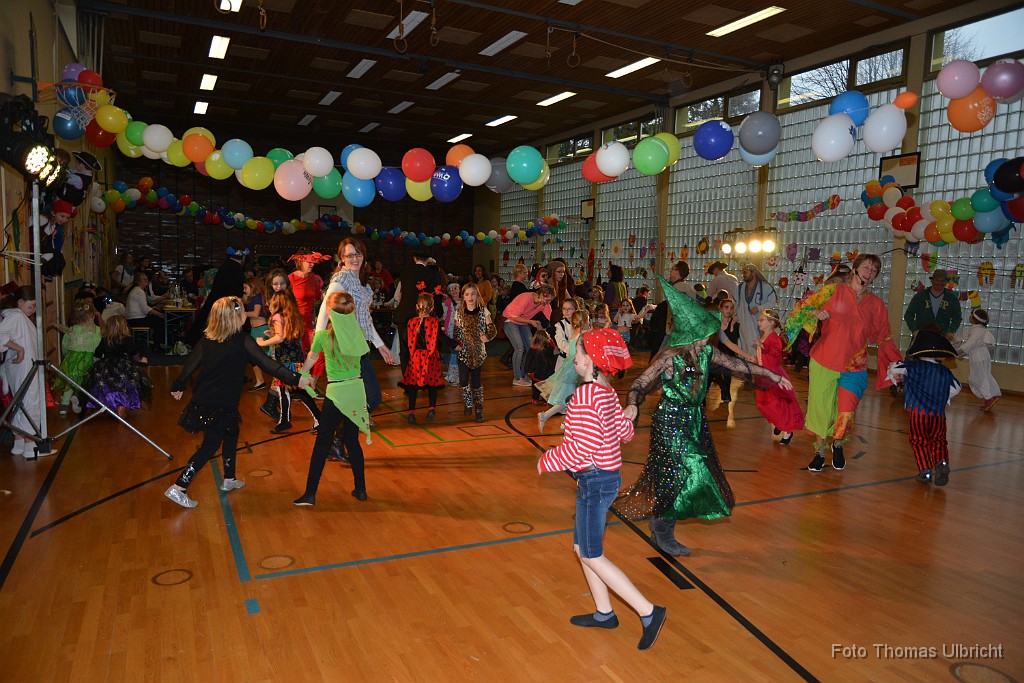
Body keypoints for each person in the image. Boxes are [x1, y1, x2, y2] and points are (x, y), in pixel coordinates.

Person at [618, 277, 792, 556]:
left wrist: (772, 375)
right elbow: (640, 385)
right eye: (702, 335)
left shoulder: (707, 352)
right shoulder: (669, 358)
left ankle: (661, 523)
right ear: (690, 334)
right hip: (670, 421)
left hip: (695, 421)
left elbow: (736, 365)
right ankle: (663, 528)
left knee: (675, 475)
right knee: (690, 469)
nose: (706, 339)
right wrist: (632, 405)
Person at [537, 328, 667, 651]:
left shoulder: (583, 396)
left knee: (593, 553)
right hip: (604, 478)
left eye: (579, 353)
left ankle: (649, 612)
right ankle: (604, 612)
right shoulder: (606, 392)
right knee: (582, 550)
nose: (575, 357)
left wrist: (549, 459)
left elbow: (582, 450)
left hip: (594, 480)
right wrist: (629, 414)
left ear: (591, 361)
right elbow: (623, 433)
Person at [165, 297, 314, 509]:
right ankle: (179, 486)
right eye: (243, 311)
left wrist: (178, 385)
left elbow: (190, 363)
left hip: (205, 399)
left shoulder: (207, 339)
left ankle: (229, 478)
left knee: (231, 432)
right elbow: (269, 365)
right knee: (210, 445)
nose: (246, 314)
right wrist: (297, 378)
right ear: (235, 317)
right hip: (220, 401)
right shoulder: (242, 340)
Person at [785, 254, 901, 473]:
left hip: (855, 365)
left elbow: (885, 336)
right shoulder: (832, 291)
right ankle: (819, 452)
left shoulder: (875, 304)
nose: (869, 272)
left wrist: (895, 362)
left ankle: (838, 444)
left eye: (874, 271)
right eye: (866, 267)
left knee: (846, 411)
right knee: (822, 410)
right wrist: (816, 312)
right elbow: (801, 308)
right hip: (824, 360)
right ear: (855, 269)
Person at [294, 291, 372, 506]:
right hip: (356, 391)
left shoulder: (322, 336)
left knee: (322, 443)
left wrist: (302, 376)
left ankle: (310, 494)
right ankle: (361, 489)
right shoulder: (356, 331)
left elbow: (311, 359)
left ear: (329, 311)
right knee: (352, 441)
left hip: (336, 393)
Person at [887, 330, 961, 486]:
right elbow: (957, 388)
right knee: (939, 440)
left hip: (918, 413)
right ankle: (941, 463)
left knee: (918, 441)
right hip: (938, 415)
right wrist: (942, 396)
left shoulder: (913, 367)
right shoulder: (944, 371)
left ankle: (925, 471)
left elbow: (894, 367)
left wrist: (897, 376)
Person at [257, 291, 321, 434]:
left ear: (278, 303)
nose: (269, 304)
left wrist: (263, 342)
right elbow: (285, 336)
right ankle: (285, 421)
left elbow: (280, 338)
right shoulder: (292, 316)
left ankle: (318, 419)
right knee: (285, 390)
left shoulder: (277, 317)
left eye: (272, 301)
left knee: (296, 391)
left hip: (286, 362)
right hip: (295, 359)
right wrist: (273, 334)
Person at [0, 287, 47, 458]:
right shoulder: (16, 316)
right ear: (20, 302)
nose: (33, 310)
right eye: (31, 306)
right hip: (23, 367)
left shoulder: (14, 315)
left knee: (21, 403)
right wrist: (19, 349)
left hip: (20, 367)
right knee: (30, 403)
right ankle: (30, 445)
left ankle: (19, 443)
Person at [83, 313, 153, 419]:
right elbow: (132, 352)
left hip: (106, 366)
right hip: (124, 366)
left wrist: (95, 365)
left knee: (107, 386)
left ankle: (112, 404)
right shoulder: (126, 339)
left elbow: (97, 353)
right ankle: (122, 405)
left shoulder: (106, 339)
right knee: (127, 386)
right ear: (124, 327)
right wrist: (141, 360)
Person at [753, 310, 804, 444]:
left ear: (771, 323)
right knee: (763, 404)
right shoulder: (763, 337)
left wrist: (763, 347)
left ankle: (787, 431)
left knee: (779, 404)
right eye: (759, 320)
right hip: (763, 376)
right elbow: (762, 356)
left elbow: (776, 353)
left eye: (762, 320)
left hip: (774, 376)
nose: (759, 322)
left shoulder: (774, 337)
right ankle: (778, 423)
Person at [537, 309, 589, 432]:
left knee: (569, 400)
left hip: (569, 368)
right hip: (574, 370)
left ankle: (551, 417)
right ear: (585, 322)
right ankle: (564, 422)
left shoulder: (574, 334)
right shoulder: (583, 336)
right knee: (571, 399)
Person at [392, 250, 443, 375]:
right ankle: (420, 377)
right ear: (428, 259)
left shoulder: (405, 272)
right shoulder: (432, 273)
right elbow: (436, 295)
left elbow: (401, 293)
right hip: (422, 315)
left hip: (404, 314)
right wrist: (439, 312)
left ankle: (407, 378)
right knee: (422, 348)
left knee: (405, 351)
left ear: (414, 258)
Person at [186, 243, 248, 346]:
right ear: (243, 257)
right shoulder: (236, 270)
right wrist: (240, 308)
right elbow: (236, 295)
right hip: (225, 308)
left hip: (216, 304)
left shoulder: (225, 267)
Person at [402, 293, 450, 424]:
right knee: (432, 384)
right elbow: (442, 338)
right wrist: (455, 345)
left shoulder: (411, 322)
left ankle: (411, 412)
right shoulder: (434, 322)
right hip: (430, 358)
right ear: (432, 307)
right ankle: (432, 409)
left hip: (416, 357)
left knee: (413, 386)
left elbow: (405, 339)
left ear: (417, 306)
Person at [452, 283, 496, 422]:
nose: (470, 297)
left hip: (478, 353)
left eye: (473, 294)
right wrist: (456, 345)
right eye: (467, 294)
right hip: (463, 352)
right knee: (464, 380)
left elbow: (492, 329)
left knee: (476, 382)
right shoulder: (459, 313)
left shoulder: (484, 312)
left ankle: (479, 409)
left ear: (477, 296)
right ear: (463, 297)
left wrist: (487, 337)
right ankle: (468, 403)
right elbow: (457, 332)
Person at [50, 301, 101, 415]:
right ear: (92, 316)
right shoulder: (95, 330)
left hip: (74, 357)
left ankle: (66, 402)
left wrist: (67, 355)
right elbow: (95, 345)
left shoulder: (74, 329)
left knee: (71, 379)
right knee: (79, 379)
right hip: (84, 357)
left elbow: (65, 344)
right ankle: (74, 399)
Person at [502, 285, 555, 387]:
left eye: (549, 301)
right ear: (541, 294)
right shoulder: (526, 298)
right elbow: (514, 316)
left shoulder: (544, 304)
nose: (547, 303)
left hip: (523, 323)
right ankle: (517, 377)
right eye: (546, 300)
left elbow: (549, 319)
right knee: (519, 349)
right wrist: (531, 322)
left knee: (530, 348)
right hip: (510, 321)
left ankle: (523, 374)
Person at [288, 248, 329, 368]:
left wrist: (329, 297)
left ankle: (312, 384)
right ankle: (301, 384)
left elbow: (319, 296)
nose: (312, 264)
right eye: (309, 261)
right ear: (300, 261)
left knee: (319, 355)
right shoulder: (291, 279)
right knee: (299, 358)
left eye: (313, 262)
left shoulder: (313, 278)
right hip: (294, 324)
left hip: (309, 324)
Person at [955, 308, 1001, 411]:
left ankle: (989, 398)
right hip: (983, 355)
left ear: (975, 318)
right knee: (985, 376)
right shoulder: (977, 328)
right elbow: (965, 336)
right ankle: (989, 397)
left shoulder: (977, 330)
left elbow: (971, 343)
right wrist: (953, 338)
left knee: (977, 378)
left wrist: (957, 352)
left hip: (978, 356)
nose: (970, 316)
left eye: (972, 315)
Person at [709, 297, 751, 403]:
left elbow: (732, 341)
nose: (729, 310)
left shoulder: (735, 324)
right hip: (715, 351)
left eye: (731, 308)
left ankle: (726, 391)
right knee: (715, 369)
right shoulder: (715, 322)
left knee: (727, 369)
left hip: (728, 351)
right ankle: (724, 389)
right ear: (721, 308)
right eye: (726, 307)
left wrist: (732, 325)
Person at [903, 269, 962, 341]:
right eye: (937, 280)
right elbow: (908, 314)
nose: (939, 283)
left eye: (943, 281)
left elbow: (957, 317)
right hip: (922, 336)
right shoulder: (920, 296)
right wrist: (915, 330)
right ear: (932, 280)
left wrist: (951, 331)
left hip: (942, 338)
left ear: (946, 282)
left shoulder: (952, 298)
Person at [736, 264, 778, 356]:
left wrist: (759, 308)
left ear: (753, 273)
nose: (743, 275)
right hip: (744, 323)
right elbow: (736, 304)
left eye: (745, 272)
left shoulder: (765, 286)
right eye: (743, 273)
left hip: (759, 323)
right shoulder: (740, 287)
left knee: (758, 346)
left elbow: (772, 302)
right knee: (744, 346)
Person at [243, 276, 269, 392]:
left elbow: (255, 313)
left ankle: (262, 381)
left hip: (261, 330)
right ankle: (260, 381)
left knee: (262, 356)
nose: (244, 290)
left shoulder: (257, 298)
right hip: (255, 330)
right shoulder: (252, 298)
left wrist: (241, 314)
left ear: (253, 287)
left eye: (246, 288)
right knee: (254, 356)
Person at [524, 328, 556, 406]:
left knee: (535, 387)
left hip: (536, 372)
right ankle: (545, 400)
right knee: (546, 387)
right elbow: (554, 348)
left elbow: (528, 361)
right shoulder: (548, 349)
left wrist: (529, 370)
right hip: (547, 372)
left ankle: (535, 399)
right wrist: (551, 340)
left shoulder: (533, 349)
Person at [552, 299, 578, 371]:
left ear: (576, 310)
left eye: (569, 309)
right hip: (565, 359)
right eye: (564, 309)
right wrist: (571, 351)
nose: (566, 311)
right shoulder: (560, 325)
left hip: (579, 359)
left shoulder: (581, 324)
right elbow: (560, 341)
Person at [546, 260, 574, 324]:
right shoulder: (546, 285)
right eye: (558, 272)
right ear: (552, 272)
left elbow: (569, 299)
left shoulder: (561, 285)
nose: (561, 274)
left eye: (563, 272)